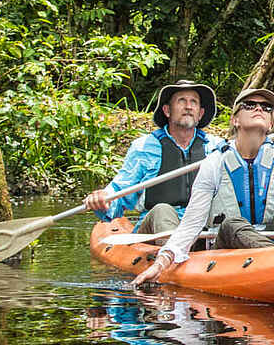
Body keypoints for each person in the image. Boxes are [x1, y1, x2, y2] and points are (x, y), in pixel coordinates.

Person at [133, 87, 274, 286]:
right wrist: (163, 261)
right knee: (231, 224)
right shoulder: (214, 162)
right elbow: (191, 223)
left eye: (267, 107)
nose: (259, 109)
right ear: (235, 120)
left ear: (271, 123)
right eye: (250, 105)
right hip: (229, 247)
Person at [84, 79, 221, 234]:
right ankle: (172, 254)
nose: (188, 107)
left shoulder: (216, 148)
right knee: (162, 211)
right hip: (156, 228)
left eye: (194, 102)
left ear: (200, 113)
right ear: (167, 110)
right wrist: (104, 199)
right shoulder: (144, 148)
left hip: (203, 227)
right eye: (181, 101)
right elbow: (120, 189)